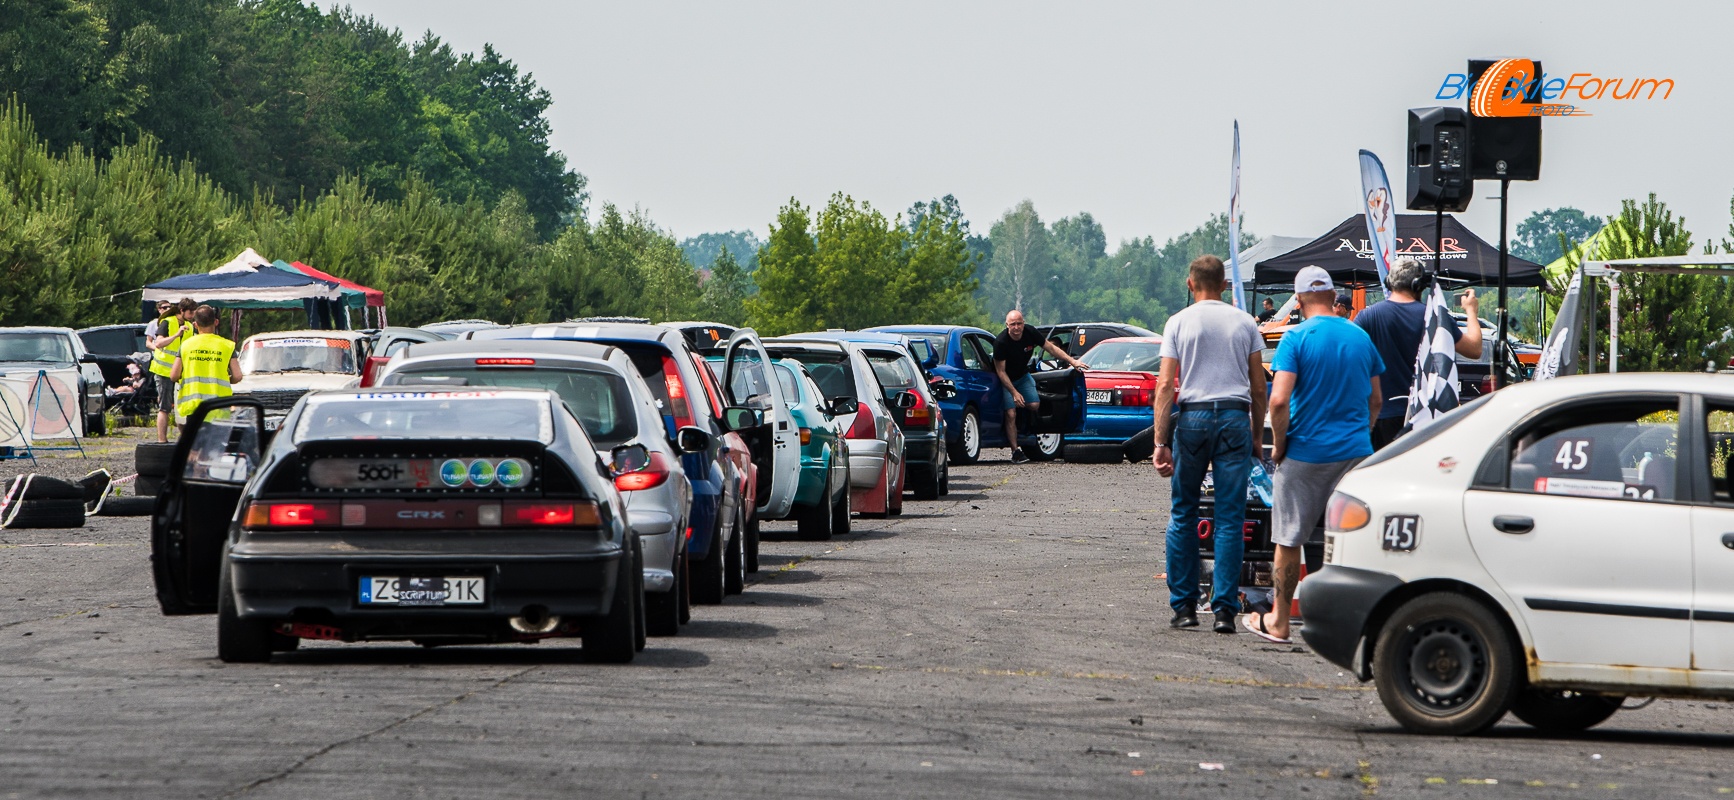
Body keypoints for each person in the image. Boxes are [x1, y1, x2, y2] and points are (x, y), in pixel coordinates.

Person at [1245, 266, 1383, 644]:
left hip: (1305, 452)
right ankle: (1352, 625)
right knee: (1354, 540)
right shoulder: (1360, 336)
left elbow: (1278, 400)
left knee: (1289, 539)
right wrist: (1363, 433)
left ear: (1299, 299)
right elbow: (1376, 400)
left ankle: (1279, 620)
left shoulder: (1295, 338)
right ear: (1333, 296)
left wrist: (1280, 444)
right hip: (1354, 454)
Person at [1152, 255, 1268, 633]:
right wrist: (1256, 435)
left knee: (1183, 512)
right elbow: (1258, 387)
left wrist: (1160, 441)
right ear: (1224, 285)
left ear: (1190, 284)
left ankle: (1185, 607)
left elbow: (1165, 385)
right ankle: (1224, 612)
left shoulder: (1178, 322)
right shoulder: (1245, 322)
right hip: (1234, 417)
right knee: (1230, 517)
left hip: (1193, 418)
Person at [1354, 257, 1480, 449]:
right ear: (1419, 285)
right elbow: (1474, 349)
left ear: (1389, 282)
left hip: (1381, 415)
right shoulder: (1434, 318)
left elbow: (1348, 352)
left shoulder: (1368, 316)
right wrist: (1471, 311)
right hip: (1424, 414)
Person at [993, 310, 1088, 464]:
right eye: (1013, 324)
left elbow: (1051, 348)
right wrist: (1014, 393)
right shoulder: (1001, 343)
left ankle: (1022, 423)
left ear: (1023, 323)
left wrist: (1072, 361)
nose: (1016, 327)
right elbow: (1000, 371)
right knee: (1010, 413)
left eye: (1019, 324)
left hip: (1023, 375)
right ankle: (1015, 451)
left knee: (1034, 405)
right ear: (1007, 325)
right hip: (1006, 380)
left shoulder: (1030, 332)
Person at [170, 305, 242, 423]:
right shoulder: (227, 345)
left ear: (195, 324)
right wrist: (226, 379)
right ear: (216, 322)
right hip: (219, 406)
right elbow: (237, 376)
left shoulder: (186, 345)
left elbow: (174, 375)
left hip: (194, 407)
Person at [147, 298, 196, 443]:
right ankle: (162, 440)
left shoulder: (189, 326)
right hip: (164, 371)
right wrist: (175, 335)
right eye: (190, 312)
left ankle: (185, 439)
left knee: (182, 407)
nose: (192, 315)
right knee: (165, 407)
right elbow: (158, 343)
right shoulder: (167, 322)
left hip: (181, 373)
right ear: (182, 311)